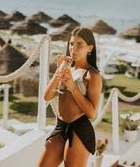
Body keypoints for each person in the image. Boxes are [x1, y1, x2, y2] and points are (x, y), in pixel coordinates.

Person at [38, 27, 102, 167]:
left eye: (80, 44)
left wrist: (72, 86)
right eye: (72, 44)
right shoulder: (67, 68)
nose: (74, 48)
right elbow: (47, 96)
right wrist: (59, 69)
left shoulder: (92, 75)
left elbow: (92, 113)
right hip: (61, 127)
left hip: (80, 129)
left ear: (90, 48)